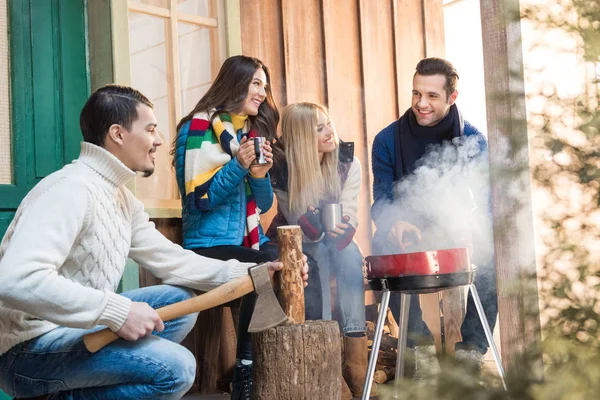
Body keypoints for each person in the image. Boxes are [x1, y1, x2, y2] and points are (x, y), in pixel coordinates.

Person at [0, 84, 308, 400]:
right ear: (117, 134)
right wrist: (116, 311)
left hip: (72, 331)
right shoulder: (70, 190)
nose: (159, 140)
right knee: (177, 369)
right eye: (150, 130)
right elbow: (15, 279)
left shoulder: (120, 198)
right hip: (27, 351)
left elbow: (171, 259)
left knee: (179, 303)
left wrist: (254, 275)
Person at [371, 57, 497, 379]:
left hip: (453, 233)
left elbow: (487, 206)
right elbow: (381, 203)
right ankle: (421, 349)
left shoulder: (473, 141)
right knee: (381, 242)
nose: (421, 104)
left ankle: (471, 352)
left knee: (495, 253)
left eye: (432, 96)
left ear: (452, 97)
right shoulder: (386, 141)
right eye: (416, 94)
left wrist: (474, 230)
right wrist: (393, 222)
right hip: (407, 236)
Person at [172, 55, 282, 400]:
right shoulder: (197, 129)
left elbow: (262, 205)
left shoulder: (248, 134)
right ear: (235, 83)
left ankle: (272, 366)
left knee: (286, 260)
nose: (263, 93)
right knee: (258, 268)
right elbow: (199, 200)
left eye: (265, 85)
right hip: (206, 244)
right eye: (256, 84)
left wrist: (259, 175)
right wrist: (239, 165)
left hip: (245, 239)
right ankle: (246, 375)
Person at [267, 102, 376, 399]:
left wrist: (345, 226)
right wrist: (314, 221)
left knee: (351, 253)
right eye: (319, 128)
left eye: (328, 123)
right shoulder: (282, 169)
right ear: (301, 137)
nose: (331, 132)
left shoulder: (346, 160)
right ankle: (325, 355)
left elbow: (351, 209)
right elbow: (295, 219)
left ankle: (356, 361)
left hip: (335, 241)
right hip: (296, 243)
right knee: (320, 257)